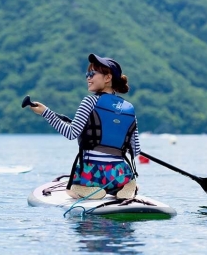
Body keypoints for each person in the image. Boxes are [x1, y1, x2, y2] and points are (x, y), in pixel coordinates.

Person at [28, 54, 141, 200]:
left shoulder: (89, 102)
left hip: (92, 173)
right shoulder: (129, 108)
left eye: (92, 73)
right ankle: (128, 184)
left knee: (71, 189)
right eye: (87, 74)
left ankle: (84, 189)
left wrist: (45, 112)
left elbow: (70, 133)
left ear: (108, 78)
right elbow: (136, 150)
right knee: (121, 176)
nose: (88, 77)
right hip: (119, 173)